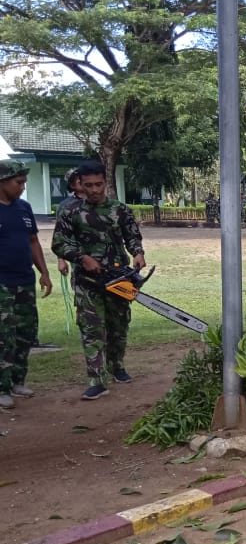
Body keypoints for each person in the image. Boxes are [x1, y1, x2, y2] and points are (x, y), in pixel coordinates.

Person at [51, 160, 146, 401]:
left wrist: (138, 253)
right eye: (89, 185)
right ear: (80, 184)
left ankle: (117, 366)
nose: (94, 190)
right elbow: (60, 244)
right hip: (87, 281)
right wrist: (82, 258)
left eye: (99, 184)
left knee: (118, 326)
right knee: (92, 329)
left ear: (105, 182)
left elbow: (132, 236)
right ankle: (96, 380)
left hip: (119, 278)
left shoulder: (120, 209)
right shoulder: (70, 212)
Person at [0, 162, 53, 409]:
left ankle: (18, 381)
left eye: (24, 182)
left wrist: (44, 272)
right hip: (2, 283)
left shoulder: (24, 208)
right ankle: (2, 388)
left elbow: (33, 241)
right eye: (18, 182)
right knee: (4, 336)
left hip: (25, 281)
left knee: (25, 333)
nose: (22, 187)